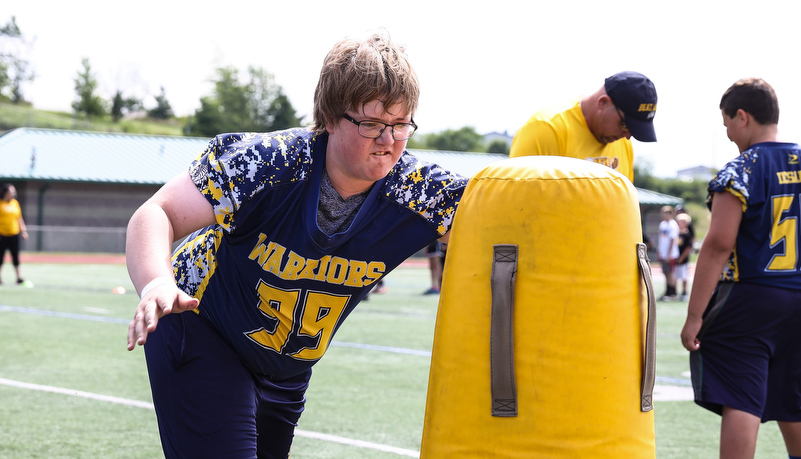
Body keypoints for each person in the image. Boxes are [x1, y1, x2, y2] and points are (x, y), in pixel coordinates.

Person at [125, 31, 468, 459]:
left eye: (401, 125)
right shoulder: (266, 163)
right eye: (371, 124)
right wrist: (156, 282)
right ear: (328, 116)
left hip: (287, 364)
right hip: (202, 325)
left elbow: (506, 233)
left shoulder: (421, 191)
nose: (388, 141)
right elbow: (158, 213)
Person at [680, 78, 801, 459]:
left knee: (741, 394)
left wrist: (694, 315)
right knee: (793, 397)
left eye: (728, 123)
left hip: (752, 295)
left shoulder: (741, 169)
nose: (729, 133)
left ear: (743, 116)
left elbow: (718, 245)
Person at [509, 71, 658, 181]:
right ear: (603, 103)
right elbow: (516, 200)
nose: (627, 136)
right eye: (625, 125)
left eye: (633, 130)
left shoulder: (622, 142)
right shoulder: (547, 128)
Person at [0, 184, 28, 285]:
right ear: (5, 192)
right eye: (11, 191)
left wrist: (23, 231)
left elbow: (19, 218)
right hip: (2, 235)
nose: (13, 193)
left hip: (14, 234)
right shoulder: (1, 204)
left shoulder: (15, 203)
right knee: (0, 257)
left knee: (15, 256)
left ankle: (18, 277)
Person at [657, 205, 680, 300]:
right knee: (665, 272)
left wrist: (668, 254)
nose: (664, 215)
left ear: (671, 214)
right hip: (663, 253)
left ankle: (673, 293)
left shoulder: (673, 224)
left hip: (670, 254)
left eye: (666, 213)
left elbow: (672, 240)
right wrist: (660, 252)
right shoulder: (662, 224)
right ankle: (667, 291)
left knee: (670, 273)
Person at [675, 212, 694, 301]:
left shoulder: (687, 234)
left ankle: (684, 292)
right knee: (675, 275)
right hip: (675, 256)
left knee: (683, 275)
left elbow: (688, 247)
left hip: (683, 258)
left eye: (682, 221)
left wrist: (682, 257)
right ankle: (674, 291)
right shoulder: (676, 233)